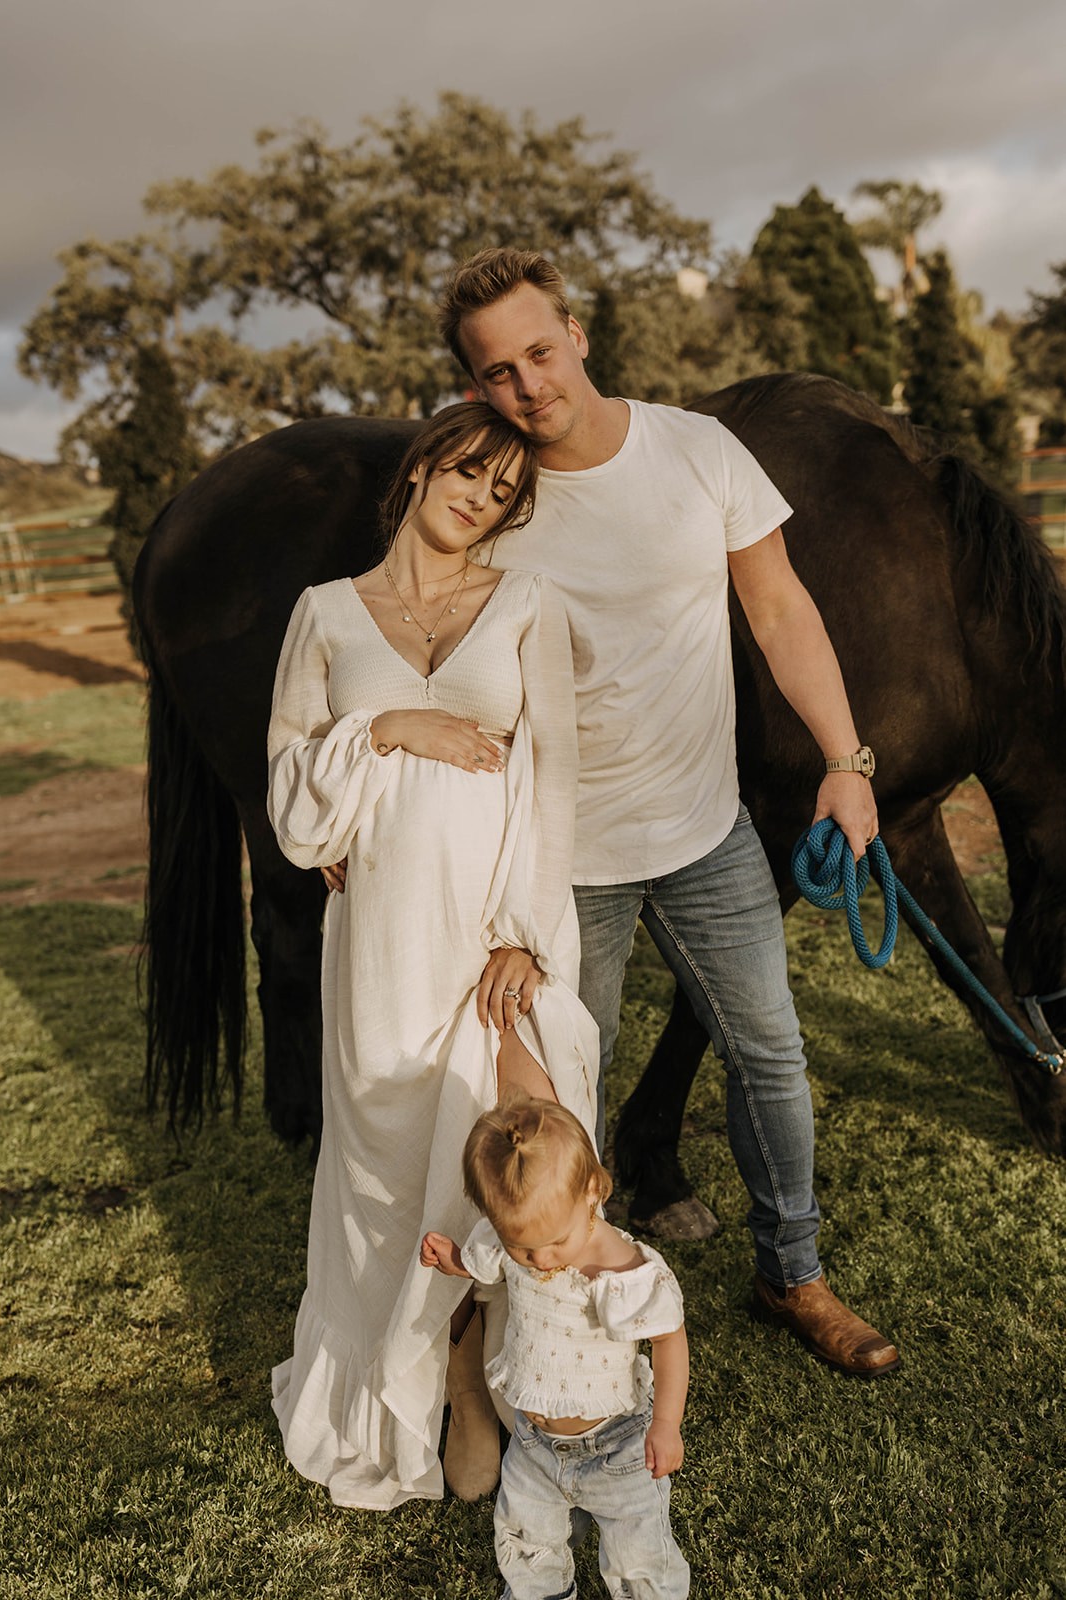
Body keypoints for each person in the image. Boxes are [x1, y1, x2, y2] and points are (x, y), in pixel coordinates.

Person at [433, 248, 900, 1377]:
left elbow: (778, 606)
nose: (527, 386)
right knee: (557, 1099)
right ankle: (558, 1301)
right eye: (496, 373)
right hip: (557, 858)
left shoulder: (697, 450)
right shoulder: (488, 496)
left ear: (577, 335)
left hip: (704, 831)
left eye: (538, 353)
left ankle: (791, 1273)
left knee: (771, 1054)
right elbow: (427, 660)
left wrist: (847, 759)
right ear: (472, 388)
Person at [266, 400, 599, 1510]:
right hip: (381, 940)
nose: (480, 498)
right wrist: (388, 731)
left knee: (516, 1140)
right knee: (384, 1156)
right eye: (467, 471)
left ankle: (482, 1376)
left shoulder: (526, 601)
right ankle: (414, 1377)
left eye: (504, 491)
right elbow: (293, 806)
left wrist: (520, 928)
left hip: (494, 930)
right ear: (420, 468)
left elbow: (549, 775)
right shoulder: (322, 614)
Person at [422, 1094, 690, 1600]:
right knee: (527, 1542)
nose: (539, 1260)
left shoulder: (622, 1272)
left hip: (619, 1447)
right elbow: (492, 1263)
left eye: (554, 1243)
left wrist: (666, 1425)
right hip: (532, 1444)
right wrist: (457, 1259)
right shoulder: (515, 1240)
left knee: (639, 1559)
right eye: (523, 1246)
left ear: (592, 1191)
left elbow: (669, 1340)